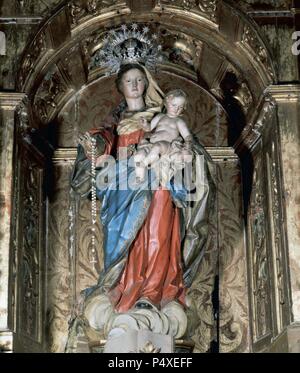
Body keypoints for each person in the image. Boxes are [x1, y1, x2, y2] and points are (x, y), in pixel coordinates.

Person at [70, 63, 214, 319]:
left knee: (159, 232)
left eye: (139, 79)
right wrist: (93, 151)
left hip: (160, 182)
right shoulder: (111, 127)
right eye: (129, 81)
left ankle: (153, 291)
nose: (135, 85)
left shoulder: (163, 117)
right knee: (129, 237)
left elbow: (189, 146)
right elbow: (102, 159)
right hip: (125, 189)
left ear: (146, 83)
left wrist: (180, 149)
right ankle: (125, 288)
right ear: (120, 87)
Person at [133, 89, 193, 181]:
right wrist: (145, 124)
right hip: (151, 144)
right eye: (174, 105)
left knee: (158, 146)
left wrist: (188, 142)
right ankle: (139, 178)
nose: (177, 109)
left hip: (167, 146)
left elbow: (187, 135)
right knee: (139, 154)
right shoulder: (160, 116)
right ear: (166, 102)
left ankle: (144, 164)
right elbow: (149, 128)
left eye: (180, 107)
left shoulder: (179, 121)